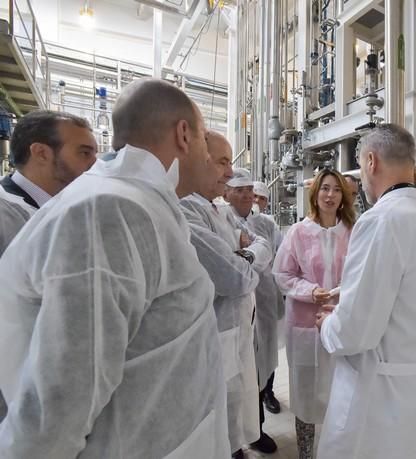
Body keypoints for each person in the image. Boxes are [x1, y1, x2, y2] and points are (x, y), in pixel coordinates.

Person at [0, 78, 232, 458]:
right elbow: (58, 406)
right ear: (184, 134)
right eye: (207, 141)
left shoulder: (140, 202)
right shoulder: (109, 211)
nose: (210, 159)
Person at [315, 124, 416, 459]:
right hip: (415, 388)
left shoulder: (380, 220)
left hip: (376, 396)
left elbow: (354, 331)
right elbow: (405, 288)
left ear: (372, 161)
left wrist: (326, 327)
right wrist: (347, 290)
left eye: (360, 167)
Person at [180, 135, 274, 459]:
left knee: (236, 412)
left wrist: (244, 253)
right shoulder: (187, 209)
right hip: (216, 335)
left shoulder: (212, 209)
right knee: (217, 423)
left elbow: (257, 247)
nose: (229, 172)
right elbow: (234, 276)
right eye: (222, 162)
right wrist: (248, 256)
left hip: (236, 332)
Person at [0, 110, 97, 421]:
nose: (94, 165)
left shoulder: (64, 210)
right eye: (84, 153)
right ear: (41, 152)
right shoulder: (6, 214)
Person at [273, 169, 355, 459]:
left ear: (343, 196)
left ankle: (336, 450)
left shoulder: (352, 231)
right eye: (324, 189)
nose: (330, 195)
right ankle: (306, 452)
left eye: (335, 190)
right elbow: (282, 274)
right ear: (315, 194)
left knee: (341, 390)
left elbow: (361, 275)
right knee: (306, 391)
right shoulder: (298, 232)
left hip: (341, 322)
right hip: (306, 326)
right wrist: (310, 291)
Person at [226, 171, 285, 422]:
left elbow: (278, 255)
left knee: (266, 356)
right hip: (235, 307)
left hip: (265, 298)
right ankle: (243, 433)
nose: (248, 195)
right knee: (239, 368)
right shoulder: (221, 220)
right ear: (226, 192)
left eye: (250, 189)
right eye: (240, 189)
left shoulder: (266, 223)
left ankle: (262, 411)